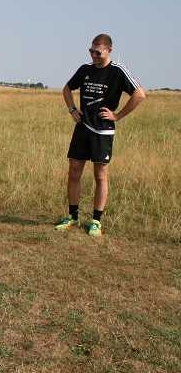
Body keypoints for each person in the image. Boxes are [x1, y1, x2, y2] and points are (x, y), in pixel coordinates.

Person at [55, 33, 146, 236]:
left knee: (100, 175)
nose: (94, 56)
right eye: (91, 51)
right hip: (82, 128)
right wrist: (72, 109)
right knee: (74, 170)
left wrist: (118, 115)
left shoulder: (118, 71)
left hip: (102, 131)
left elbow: (140, 94)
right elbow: (67, 89)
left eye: (98, 52)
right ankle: (73, 217)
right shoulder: (85, 69)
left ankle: (96, 221)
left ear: (109, 50)